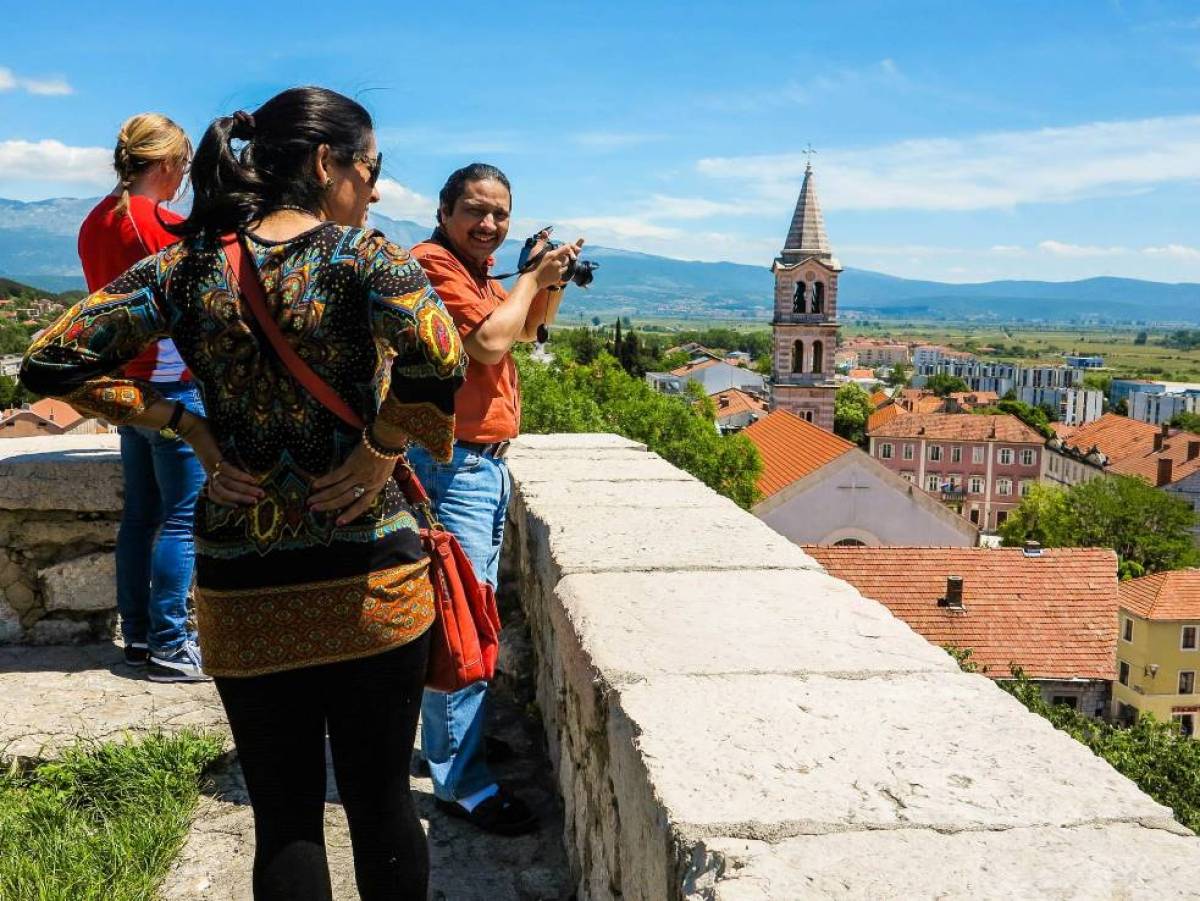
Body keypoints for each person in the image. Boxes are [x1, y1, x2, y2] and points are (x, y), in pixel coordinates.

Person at [22, 86, 465, 901]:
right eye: (371, 170)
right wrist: (380, 447)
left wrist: (182, 426)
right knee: (380, 802)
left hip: (242, 569)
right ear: (329, 163)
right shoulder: (366, 258)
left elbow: (50, 362)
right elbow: (442, 358)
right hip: (370, 565)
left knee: (285, 818)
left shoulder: (186, 266)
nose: (373, 190)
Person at [409, 163, 582, 835]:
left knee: (456, 611)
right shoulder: (432, 264)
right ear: (445, 209)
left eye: (500, 215)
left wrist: (547, 281)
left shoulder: (477, 272)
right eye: (475, 211)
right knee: (464, 619)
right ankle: (463, 784)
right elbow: (487, 344)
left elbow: (530, 332)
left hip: (477, 464)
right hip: (453, 466)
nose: (488, 224)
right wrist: (530, 280)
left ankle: (450, 748)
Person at [77, 113, 208, 682]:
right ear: (163, 163)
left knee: (140, 518)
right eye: (181, 165)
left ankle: (137, 636)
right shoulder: (164, 228)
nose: (182, 177)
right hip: (173, 384)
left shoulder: (93, 223)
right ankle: (171, 645)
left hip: (123, 390)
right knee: (181, 520)